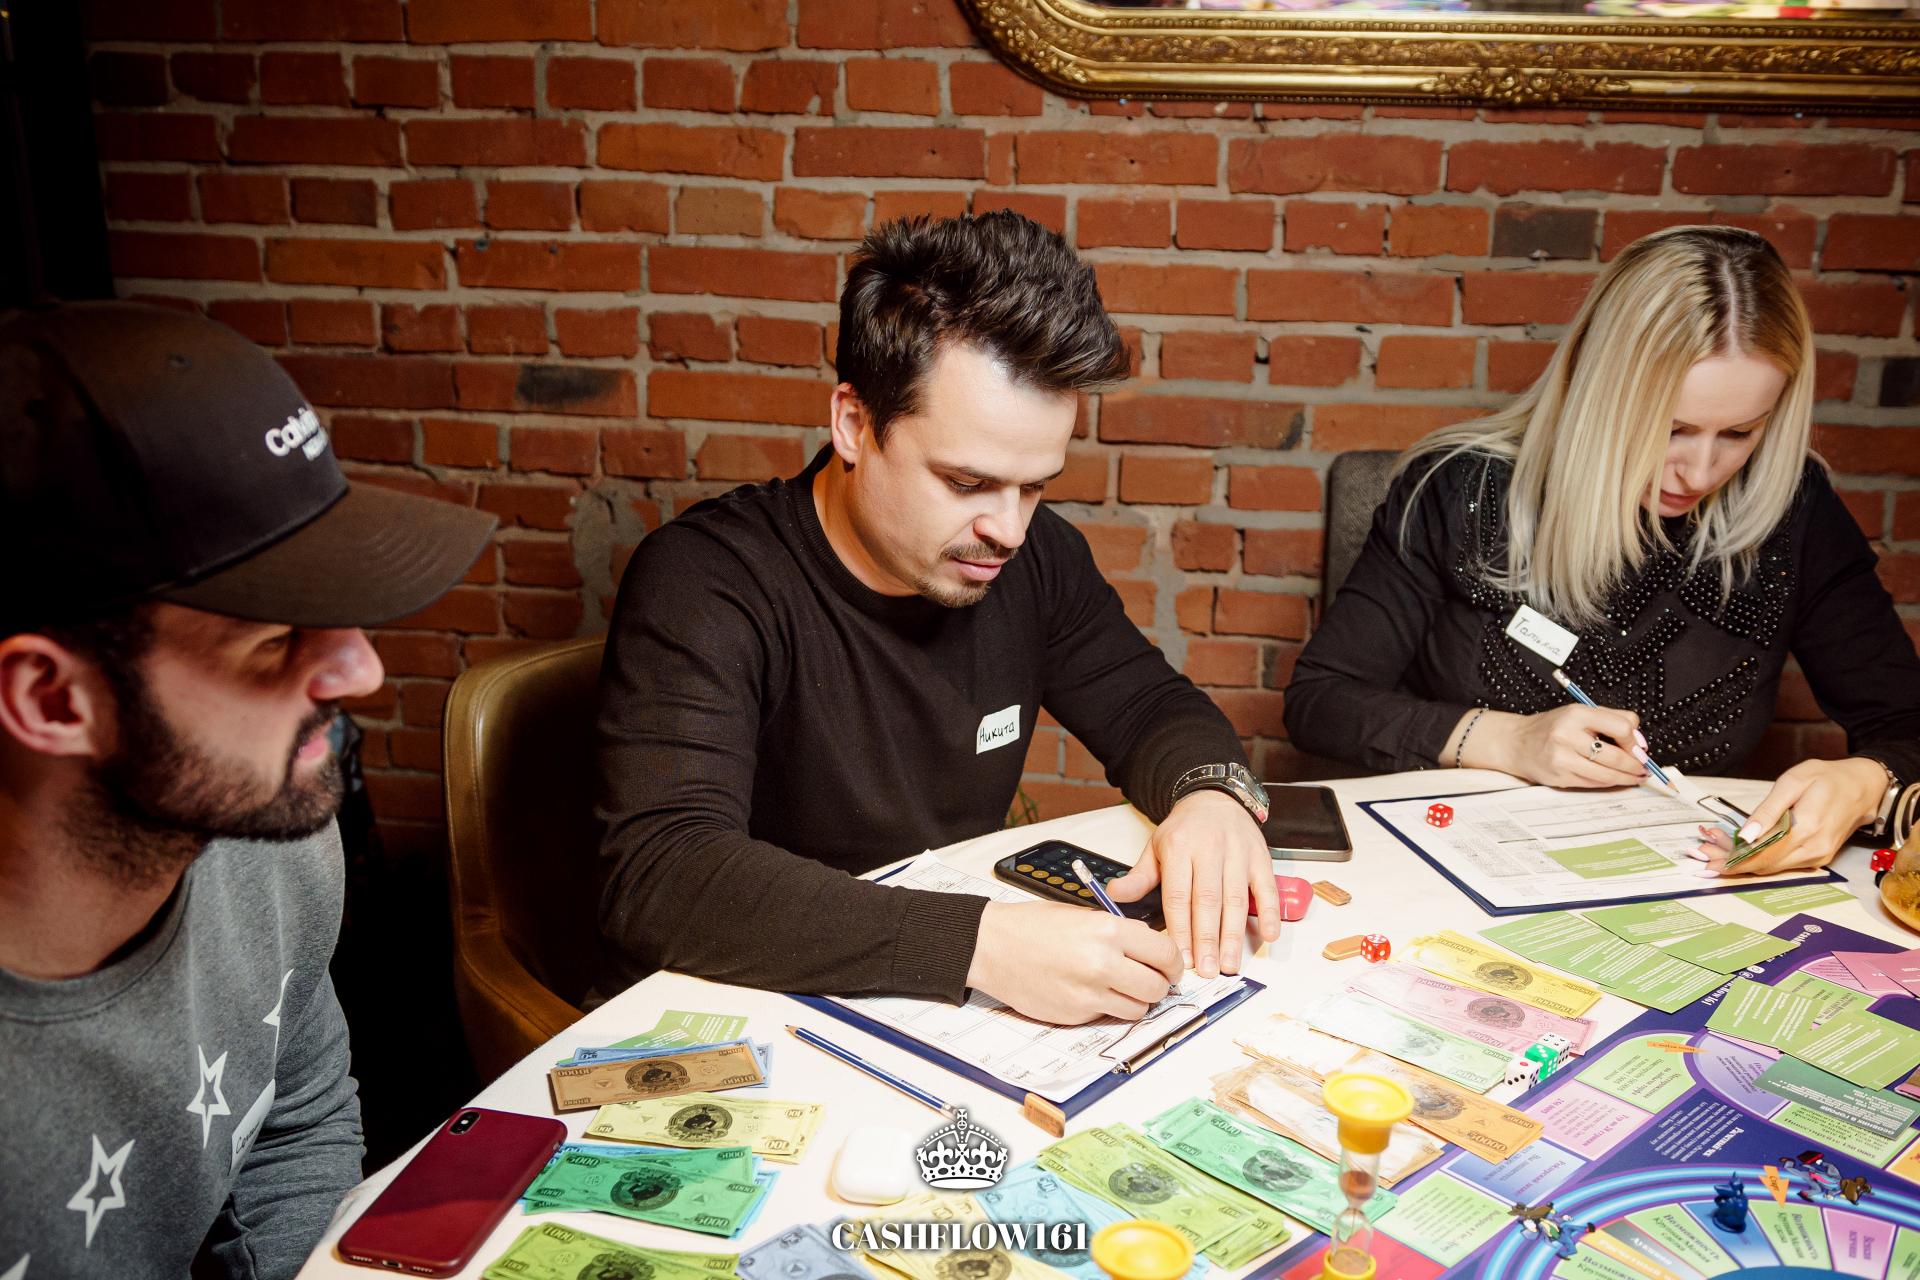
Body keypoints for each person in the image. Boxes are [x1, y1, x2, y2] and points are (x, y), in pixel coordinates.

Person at [596, 212, 1281, 1024]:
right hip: (738, 1006)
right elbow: (663, 875)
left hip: (927, 1001)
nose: (1009, 530)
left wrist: (1210, 796)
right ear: (855, 424)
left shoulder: (1035, 558)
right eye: (965, 483)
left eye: (1035, 486)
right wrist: (980, 946)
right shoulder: (708, 580)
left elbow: (1150, 707)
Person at [0, 303, 495, 1277]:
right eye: (273, 636)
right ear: (52, 699)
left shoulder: (272, 841)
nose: (361, 671)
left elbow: (291, 1116)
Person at [1284, 225, 1920, 878]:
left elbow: (1906, 723)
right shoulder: (1462, 489)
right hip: (1457, 870)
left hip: (1685, 881)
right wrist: (1509, 740)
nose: (1699, 471)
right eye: (1670, 428)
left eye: (1738, 433)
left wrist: (1872, 778)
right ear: (1599, 392)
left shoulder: (1793, 509)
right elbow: (1322, 702)